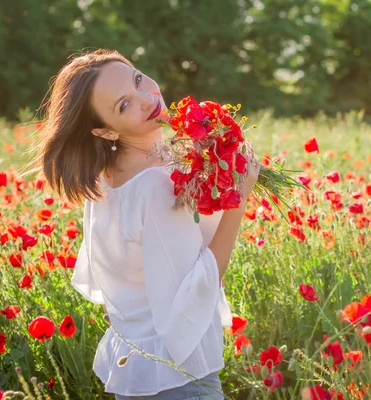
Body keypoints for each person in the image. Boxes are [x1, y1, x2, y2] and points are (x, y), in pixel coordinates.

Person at [23, 49, 261, 399]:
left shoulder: (104, 180)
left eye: (137, 79)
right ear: (103, 131)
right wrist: (239, 198)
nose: (146, 98)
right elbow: (196, 286)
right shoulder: (155, 186)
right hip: (179, 376)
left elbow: (113, 284)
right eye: (123, 105)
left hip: (138, 368)